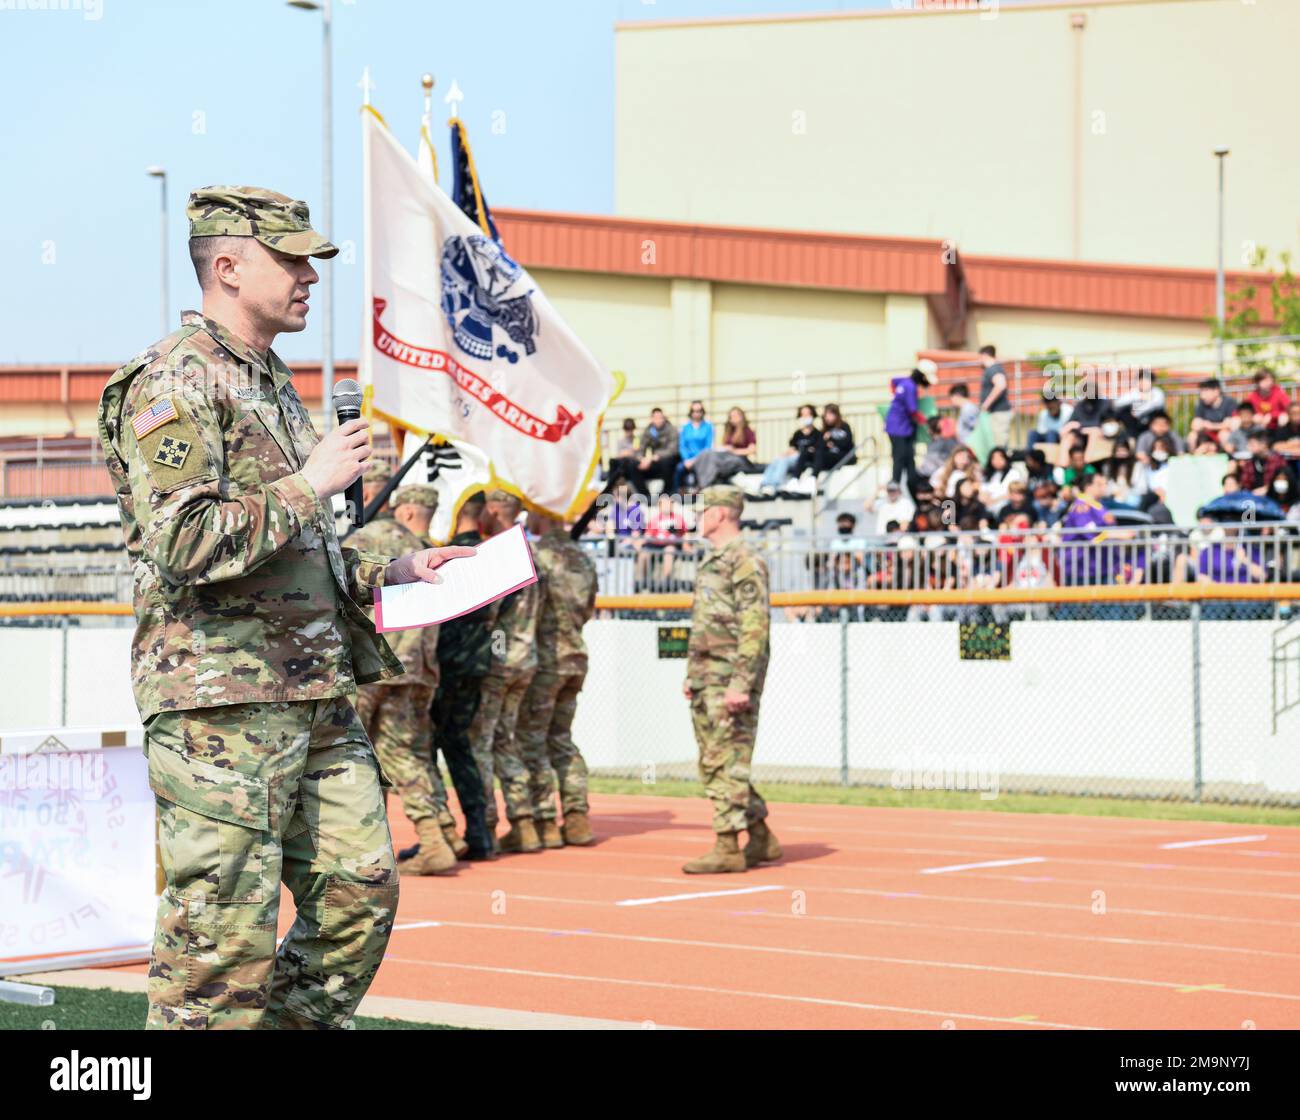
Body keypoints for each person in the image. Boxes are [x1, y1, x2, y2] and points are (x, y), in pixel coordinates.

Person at [95, 186, 475, 1030]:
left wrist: (400, 565)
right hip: (219, 708)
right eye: (292, 259)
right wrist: (313, 482)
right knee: (221, 945)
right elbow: (186, 542)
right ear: (227, 267)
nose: (310, 276)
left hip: (313, 693)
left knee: (358, 897)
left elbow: (302, 548)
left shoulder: (269, 380)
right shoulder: (173, 380)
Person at [348, 485, 457, 875]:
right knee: (405, 755)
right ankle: (438, 833)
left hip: (375, 665)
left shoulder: (370, 537)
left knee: (355, 756)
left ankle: (373, 849)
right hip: (419, 668)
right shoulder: (428, 547)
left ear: (406, 509)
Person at [681, 485, 777, 874]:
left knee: (728, 761)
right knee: (713, 760)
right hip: (708, 676)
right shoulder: (715, 559)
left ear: (720, 514)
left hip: (730, 678)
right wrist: (693, 674)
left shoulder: (744, 559)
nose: (698, 517)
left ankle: (727, 845)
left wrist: (741, 682)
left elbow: (755, 626)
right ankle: (760, 834)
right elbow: (704, 624)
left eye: (703, 511)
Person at [517, 510, 600, 847]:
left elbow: (527, 612)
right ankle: (577, 817)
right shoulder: (583, 557)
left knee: (532, 739)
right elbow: (590, 606)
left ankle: (545, 820)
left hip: (546, 660)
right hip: (576, 657)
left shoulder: (537, 556)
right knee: (562, 739)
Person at [470, 491, 543, 853]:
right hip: (525, 658)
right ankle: (525, 822)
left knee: (482, 742)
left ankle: (485, 826)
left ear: (494, 509)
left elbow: (487, 614)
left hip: (498, 662)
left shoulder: (501, 554)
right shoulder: (530, 551)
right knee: (505, 739)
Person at [431, 491, 498, 860]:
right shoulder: (491, 558)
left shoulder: (449, 557)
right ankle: (479, 830)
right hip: (479, 664)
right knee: (462, 748)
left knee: (423, 748)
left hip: (444, 668)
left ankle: (443, 832)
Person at [885, 359, 933, 497]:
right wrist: (926, 421)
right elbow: (913, 409)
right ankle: (895, 483)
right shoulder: (911, 386)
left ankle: (911, 482)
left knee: (908, 456)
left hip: (900, 426)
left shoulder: (905, 382)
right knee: (900, 455)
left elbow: (893, 381)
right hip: (899, 426)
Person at [693, 406, 758, 488]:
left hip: (740, 460)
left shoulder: (747, 431)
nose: (732, 419)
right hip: (727, 456)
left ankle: (703, 485)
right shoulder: (729, 431)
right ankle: (700, 483)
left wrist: (734, 451)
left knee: (715, 460)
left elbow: (752, 450)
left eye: (735, 416)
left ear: (742, 417)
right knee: (706, 453)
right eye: (731, 417)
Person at [760, 404, 820, 492]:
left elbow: (814, 450)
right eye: (803, 415)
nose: (805, 417)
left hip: (804, 458)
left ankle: (775, 485)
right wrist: (784, 454)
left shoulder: (817, 434)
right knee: (777, 459)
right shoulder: (798, 434)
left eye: (807, 414)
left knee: (784, 461)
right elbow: (793, 447)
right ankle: (765, 483)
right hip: (795, 456)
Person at [629, 407, 679, 494]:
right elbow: (640, 448)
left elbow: (673, 450)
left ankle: (667, 493)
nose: (658, 420)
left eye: (661, 417)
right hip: (654, 463)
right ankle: (644, 495)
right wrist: (642, 459)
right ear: (651, 419)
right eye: (655, 418)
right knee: (632, 465)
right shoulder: (648, 431)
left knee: (666, 462)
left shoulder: (671, 429)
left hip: (668, 462)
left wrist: (655, 456)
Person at [1189, 378, 1238, 452]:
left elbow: (1229, 424)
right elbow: (1195, 425)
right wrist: (1219, 425)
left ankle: (1229, 458)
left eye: (1205, 391)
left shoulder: (1229, 402)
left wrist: (1210, 425)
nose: (1202, 396)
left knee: (1224, 434)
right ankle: (1192, 458)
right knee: (1192, 435)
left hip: (1222, 434)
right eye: (1201, 392)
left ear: (1216, 391)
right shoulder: (1201, 404)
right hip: (1206, 436)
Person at [977, 345, 1013, 448]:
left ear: (984, 355)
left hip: (998, 413)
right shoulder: (994, 369)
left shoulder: (993, 369)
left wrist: (986, 405)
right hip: (996, 413)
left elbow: (1001, 385)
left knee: (999, 446)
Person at [676, 401, 715, 491]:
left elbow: (708, 447)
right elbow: (682, 446)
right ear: (691, 412)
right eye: (694, 411)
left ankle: (700, 493)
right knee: (679, 469)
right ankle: (678, 494)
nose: (696, 413)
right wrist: (686, 460)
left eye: (699, 411)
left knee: (702, 473)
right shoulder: (685, 427)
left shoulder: (708, 427)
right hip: (687, 460)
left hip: (702, 460)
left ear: (703, 412)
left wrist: (695, 460)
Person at [818, 403, 856, 473]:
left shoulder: (845, 426)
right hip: (831, 456)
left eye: (830, 414)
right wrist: (826, 442)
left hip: (844, 455)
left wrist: (832, 440)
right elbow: (821, 447)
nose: (827, 417)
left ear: (836, 414)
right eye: (826, 415)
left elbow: (846, 443)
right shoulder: (824, 430)